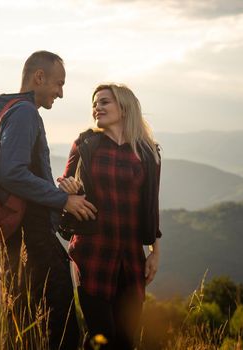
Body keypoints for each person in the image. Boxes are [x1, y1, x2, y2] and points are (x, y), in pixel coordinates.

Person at [0, 51, 97, 349]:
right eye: (58, 83)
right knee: (60, 321)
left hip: (15, 235)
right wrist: (62, 200)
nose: (61, 93)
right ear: (39, 77)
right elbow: (12, 174)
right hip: (33, 237)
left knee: (23, 320)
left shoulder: (5, 112)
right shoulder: (26, 113)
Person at [58, 83, 162, 349]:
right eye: (94, 103)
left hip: (131, 258)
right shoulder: (86, 144)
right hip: (93, 253)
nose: (97, 107)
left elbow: (150, 205)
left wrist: (155, 251)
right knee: (100, 338)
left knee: (126, 341)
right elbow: (66, 185)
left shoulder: (147, 152)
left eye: (104, 102)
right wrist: (68, 192)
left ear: (124, 108)